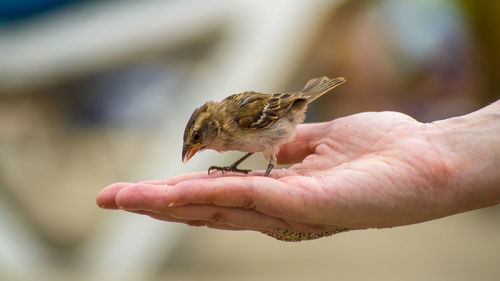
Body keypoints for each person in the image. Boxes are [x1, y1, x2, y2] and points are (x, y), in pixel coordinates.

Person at [96, 99, 499, 241]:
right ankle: (247, 173)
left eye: (198, 139)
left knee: (268, 161)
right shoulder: (227, 129)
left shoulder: (243, 118)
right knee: (248, 168)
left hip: (282, 120)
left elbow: (280, 118)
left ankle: (263, 178)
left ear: (215, 127)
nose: (196, 149)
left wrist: (266, 180)